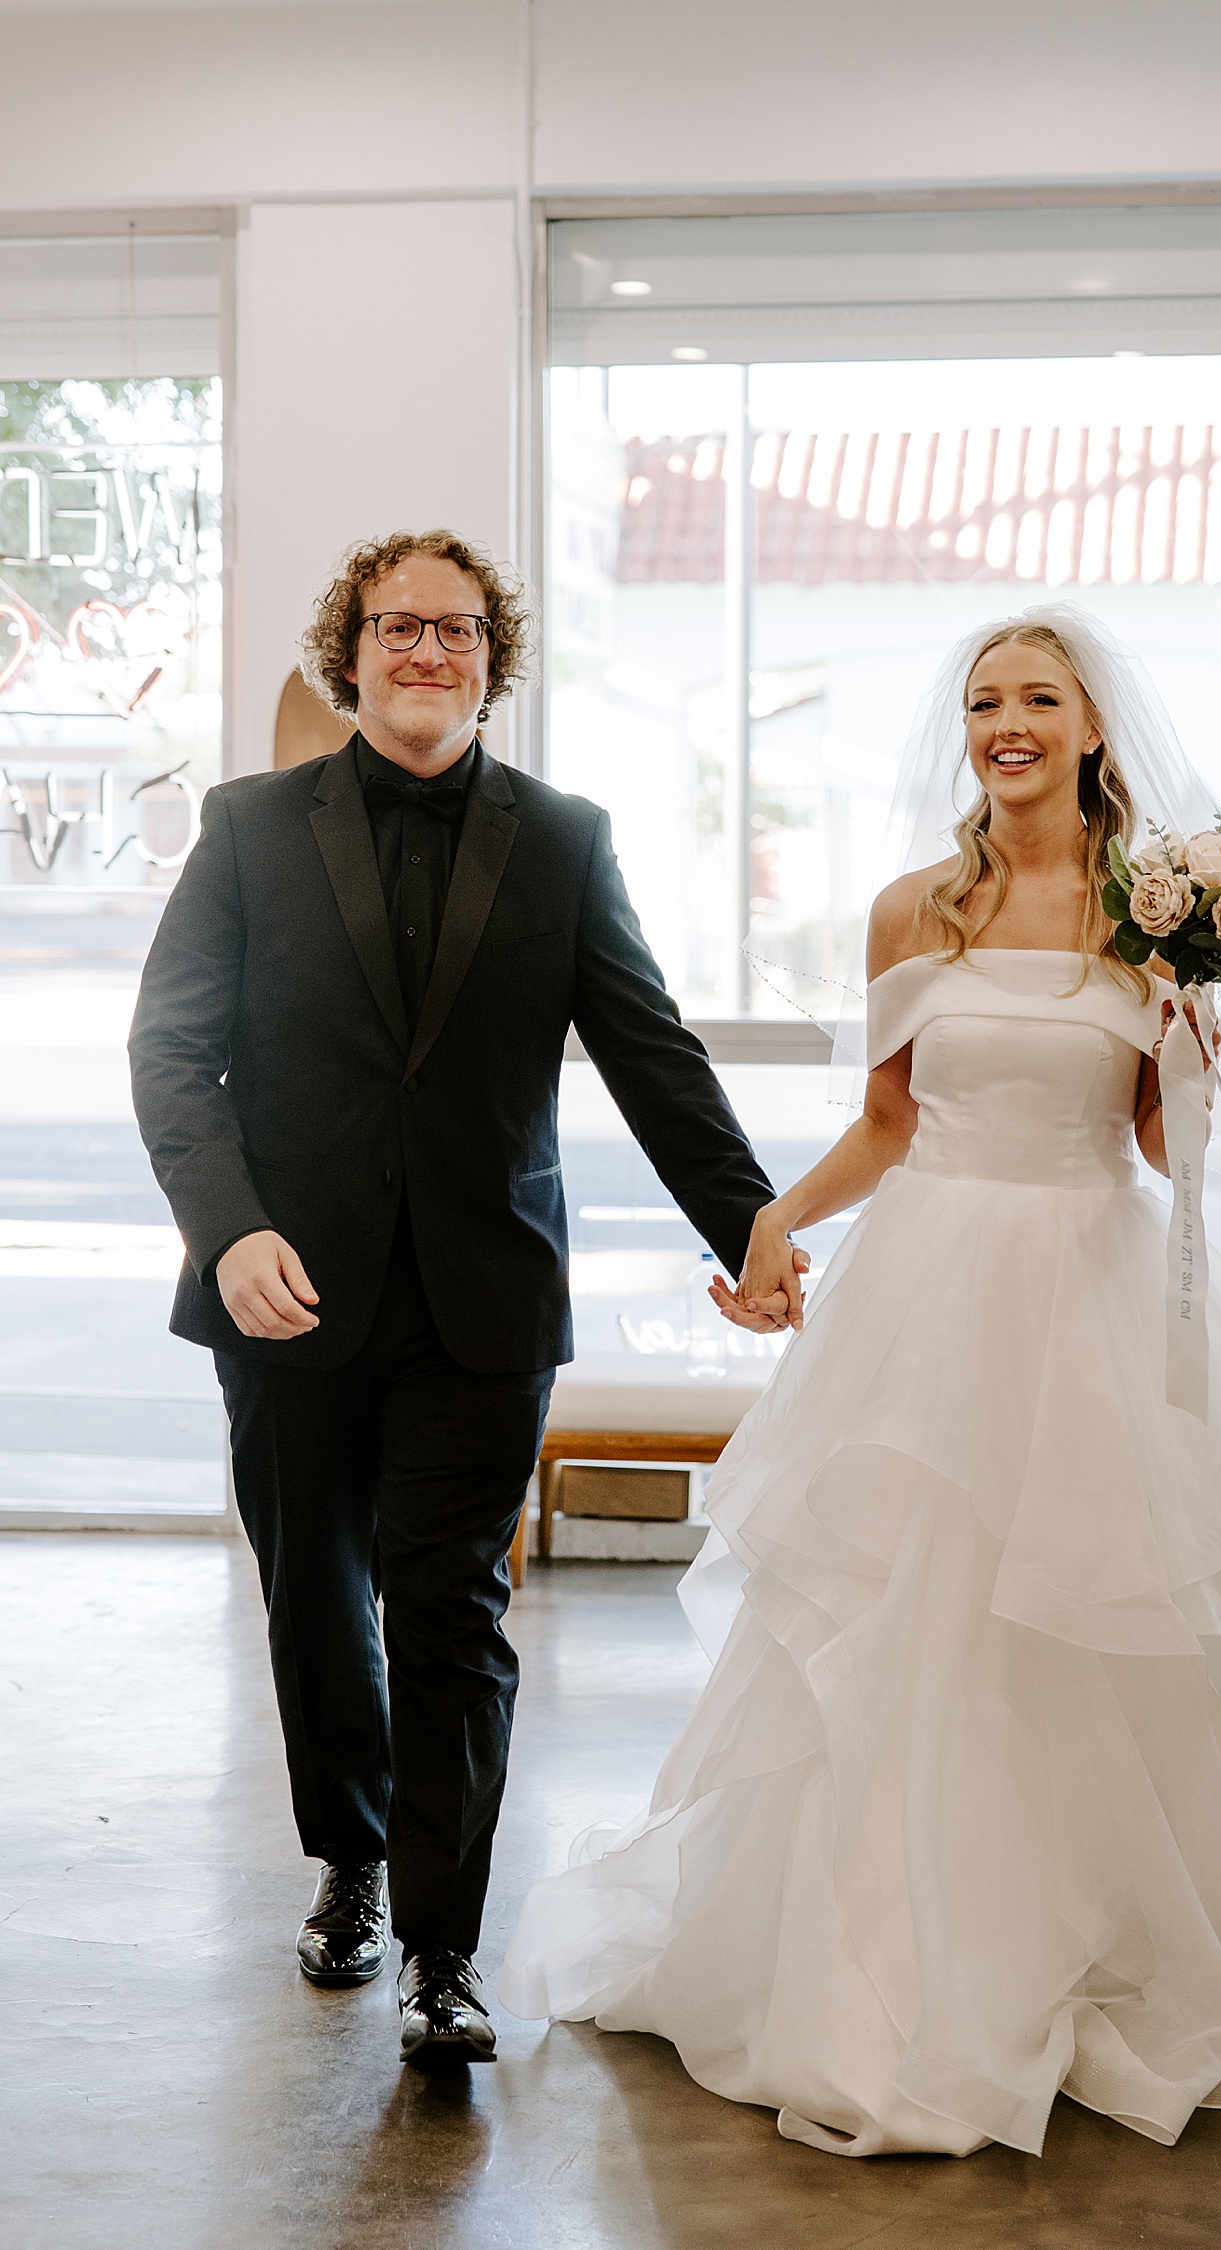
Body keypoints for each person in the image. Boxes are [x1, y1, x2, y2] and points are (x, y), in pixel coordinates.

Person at [497, 604, 1221, 2157]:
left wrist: (1198, 1057)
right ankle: (904, 1955)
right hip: (929, 1300)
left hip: (1094, 1288)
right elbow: (888, 1127)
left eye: (1035, 698)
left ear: (1092, 728)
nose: (1004, 723)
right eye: (981, 700)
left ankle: (1098, 1932)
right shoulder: (909, 912)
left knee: (1102, 1629)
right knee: (911, 1623)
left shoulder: (1155, 918)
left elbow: (1155, 1141)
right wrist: (768, 1226)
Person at [129, 529, 775, 2065]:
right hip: (284, 1288)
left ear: (497, 658)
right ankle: (348, 1855)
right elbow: (171, 1049)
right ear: (345, 651)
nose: (429, 651)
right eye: (399, 625)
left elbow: (651, 1050)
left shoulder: (563, 839)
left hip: (485, 1295)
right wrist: (228, 1233)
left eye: (461, 630)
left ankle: (440, 1943)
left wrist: (748, 1227)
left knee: (452, 1609)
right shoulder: (245, 826)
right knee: (313, 1601)